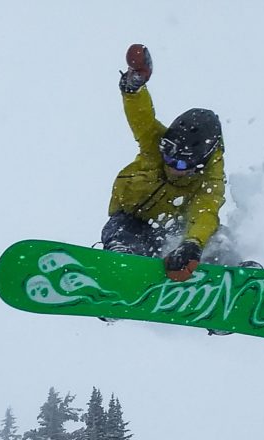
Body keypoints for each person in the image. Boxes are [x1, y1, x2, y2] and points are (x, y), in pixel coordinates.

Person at [100, 44, 227, 281]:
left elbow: (205, 210)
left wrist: (192, 243)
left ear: (198, 165)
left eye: (179, 165)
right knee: (121, 232)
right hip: (132, 220)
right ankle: (121, 268)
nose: (170, 166)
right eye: (167, 157)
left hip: (172, 229)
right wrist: (133, 89)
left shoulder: (209, 180)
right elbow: (142, 118)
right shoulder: (154, 145)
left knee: (216, 236)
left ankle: (235, 273)